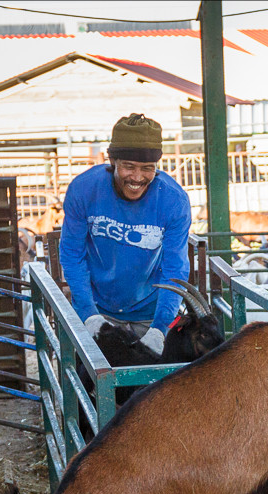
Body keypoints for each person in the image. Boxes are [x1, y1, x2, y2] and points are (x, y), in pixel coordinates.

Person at [59, 113, 192, 356]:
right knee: (94, 382)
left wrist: (160, 328)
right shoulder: (84, 190)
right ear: (113, 162)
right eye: (129, 167)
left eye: (147, 168)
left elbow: (175, 267)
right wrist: (89, 314)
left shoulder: (174, 200)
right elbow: (72, 254)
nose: (138, 177)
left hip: (151, 312)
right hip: (99, 308)